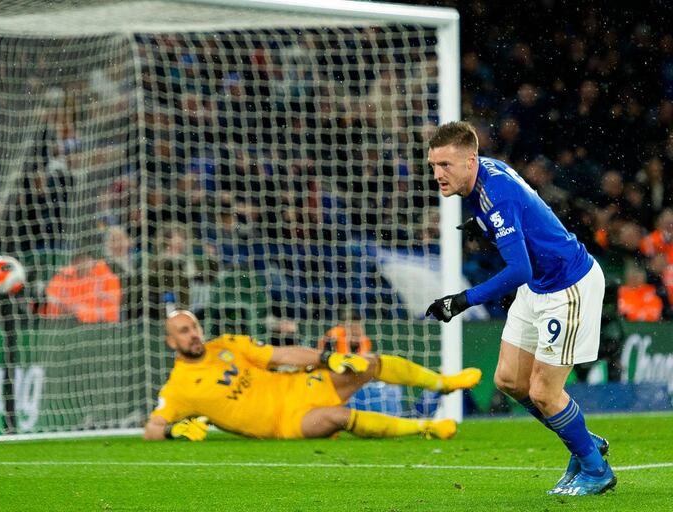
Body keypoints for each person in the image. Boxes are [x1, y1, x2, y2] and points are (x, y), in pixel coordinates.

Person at [424, 121, 615, 496]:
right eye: (433, 165)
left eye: (445, 165)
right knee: (509, 381)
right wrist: (484, 223)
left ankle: (597, 470)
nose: (437, 174)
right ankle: (585, 441)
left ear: (470, 160)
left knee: (545, 392)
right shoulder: (482, 179)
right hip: (538, 286)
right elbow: (523, 213)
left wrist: (462, 300)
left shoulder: (497, 193)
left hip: (567, 285)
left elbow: (519, 269)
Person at [144, 310, 482, 441]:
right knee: (338, 416)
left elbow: (282, 355)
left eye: (193, 327)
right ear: (171, 341)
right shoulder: (178, 388)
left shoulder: (227, 345)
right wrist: (175, 432)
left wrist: (328, 358)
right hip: (287, 422)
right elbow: (152, 430)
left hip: (300, 384)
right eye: (183, 332)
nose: (192, 335)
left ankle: (445, 383)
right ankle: (426, 429)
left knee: (367, 362)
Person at [39, 251, 122, 324]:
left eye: (86, 259)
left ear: (92, 260)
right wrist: (67, 307)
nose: (83, 264)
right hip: (64, 324)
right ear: (74, 262)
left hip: (101, 326)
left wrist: (82, 311)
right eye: (80, 260)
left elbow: (113, 308)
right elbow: (50, 297)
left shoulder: (105, 276)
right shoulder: (64, 275)